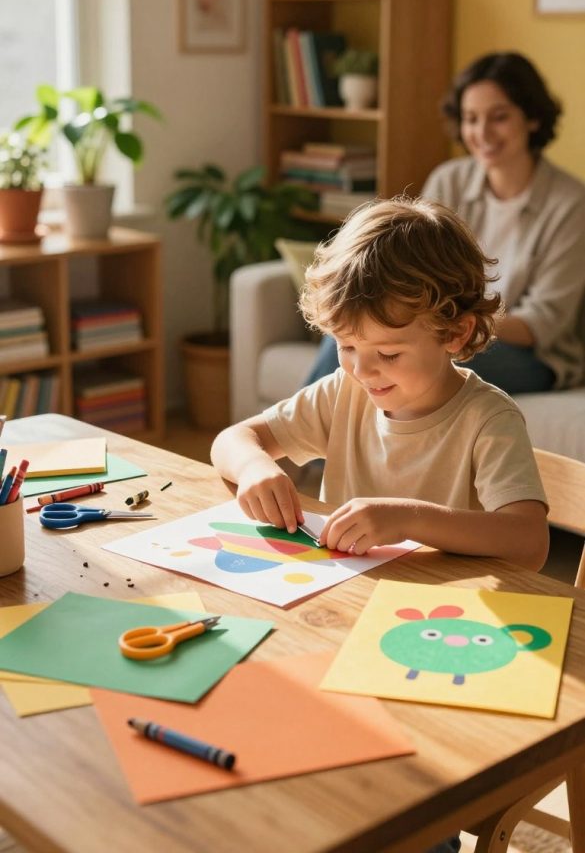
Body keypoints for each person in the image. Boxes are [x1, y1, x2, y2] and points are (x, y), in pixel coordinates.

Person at [211, 197, 549, 853]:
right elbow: (236, 436)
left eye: (387, 353)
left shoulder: (488, 418)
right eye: (346, 347)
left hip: (442, 650)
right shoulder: (344, 392)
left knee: (406, 808)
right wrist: (255, 469)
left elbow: (527, 541)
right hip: (339, 628)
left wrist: (408, 518)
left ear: (453, 334)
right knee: (270, 737)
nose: (364, 371)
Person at [305, 52, 585, 394]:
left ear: (532, 119)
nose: (482, 132)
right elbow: (406, 271)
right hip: (440, 328)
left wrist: (453, 326)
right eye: (470, 119)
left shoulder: (571, 204)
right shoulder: (448, 181)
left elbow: (542, 323)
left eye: (499, 117)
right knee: (350, 339)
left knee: (423, 357)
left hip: (533, 355)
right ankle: (301, 440)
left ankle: (296, 444)